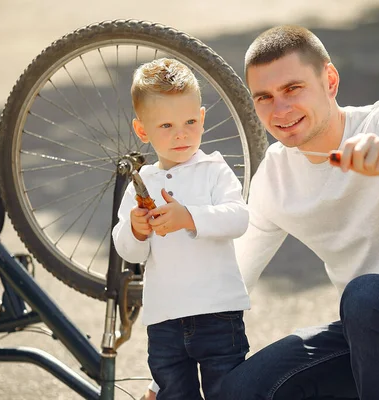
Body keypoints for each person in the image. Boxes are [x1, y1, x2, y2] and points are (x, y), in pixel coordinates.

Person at [147, 25, 379, 400]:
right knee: (239, 391)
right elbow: (229, 278)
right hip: (367, 339)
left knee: (368, 294)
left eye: (292, 89)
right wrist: (161, 384)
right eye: (264, 97)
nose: (279, 110)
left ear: (329, 80)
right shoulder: (277, 176)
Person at [112, 58, 250, 400]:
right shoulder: (141, 184)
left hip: (217, 311)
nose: (181, 133)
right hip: (164, 319)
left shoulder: (214, 170)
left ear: (202, 118)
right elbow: (129, 251)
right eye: (166, 126)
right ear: (143, 131)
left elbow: (238, 218)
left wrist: (189, 217)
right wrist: (136, 229)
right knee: (173, 392)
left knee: (228, 390)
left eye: (190, 121)